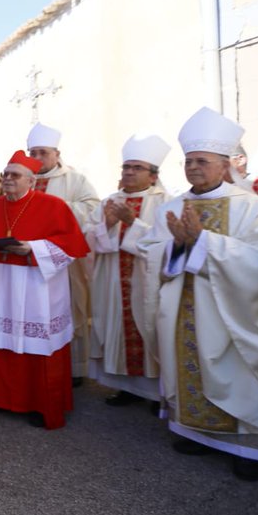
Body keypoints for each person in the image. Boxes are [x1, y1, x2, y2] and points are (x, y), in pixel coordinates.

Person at [141, 107, 258, 481]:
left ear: (225, 165)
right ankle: (195, 431)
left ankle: (247, 447)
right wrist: (174, 248)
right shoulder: (172, 207)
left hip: (232, 312)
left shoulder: (253, 208)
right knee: (190, 369)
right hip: (181, 307)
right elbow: (151, 251)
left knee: (236, 372)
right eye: (188, 161)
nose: (193, 168)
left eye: (202, 161)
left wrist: (202, 243)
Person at [0, 151, 90, 429]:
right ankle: (3, 398)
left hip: (38, 287)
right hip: (1, 284)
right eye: (6, 174)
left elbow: (71, 248)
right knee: (2, 342)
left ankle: (41, 403)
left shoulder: (54, 206)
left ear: (31, 182)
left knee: (39, 344)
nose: (8, 179)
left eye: (15, 175)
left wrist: (30, 248)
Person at [85, 135, 172, 408]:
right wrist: (107, 225)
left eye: (137, 168)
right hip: (111, 278)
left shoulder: (166, 203)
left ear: (153, 175)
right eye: (126, 167)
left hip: (147, 279)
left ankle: (157, 394)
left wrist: (132, 223)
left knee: (151, 329)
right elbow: (87, 237)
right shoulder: (108, 201)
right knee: (116, 329)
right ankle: (127, 388)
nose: (129, 173)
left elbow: (166, 243)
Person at [26, 122, 101, 385]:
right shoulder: (24, 180)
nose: (36, 158)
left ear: (57, 154)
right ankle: (34, 364)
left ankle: (73, 369)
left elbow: (92, 209)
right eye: (32, 153)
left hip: (63, 263)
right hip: (28, 263)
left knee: (69, 311)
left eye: (42, 152)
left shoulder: (75, 179)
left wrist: (54, 209)